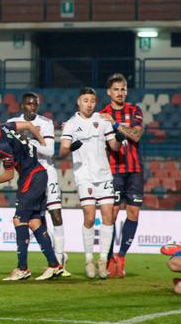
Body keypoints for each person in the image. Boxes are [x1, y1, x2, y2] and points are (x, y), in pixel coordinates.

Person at [0, 115, 63, 281]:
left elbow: (9, 174)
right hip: (38, 174)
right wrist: (40, 141)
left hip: (31, 177)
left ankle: (22, 268)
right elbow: (29, 125)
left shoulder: (2, 146)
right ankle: (54, 265)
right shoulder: (7, 126)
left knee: (19, 220)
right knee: (34, 222)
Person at [59, 87, 122, 279]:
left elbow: (114, 147)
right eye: (85, 100)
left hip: (103, 175)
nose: (89, 104)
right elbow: (61, 152)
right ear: (79, 101)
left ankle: (102, 260)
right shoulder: (71, 124)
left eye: (92, 101)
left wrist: (119, 137)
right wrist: (70, 148)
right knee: (88, 217)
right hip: (84, 175)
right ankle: (88, 259)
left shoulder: (102, 120)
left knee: (108, 216)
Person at [8, 92, 66, 269]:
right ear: (22, 105)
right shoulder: (13, 123)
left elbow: (49, 151)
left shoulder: (45, 123)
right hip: (29, 175)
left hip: (47, 172)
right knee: (37, 220)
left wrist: (28, 142)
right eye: (28, 104)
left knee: (56, 215)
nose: (32, 107)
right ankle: (53, 262)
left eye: (35, 104)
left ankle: (60, 259)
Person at [100, 73, 144, 277]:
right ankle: (109, 259)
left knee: (133, 214)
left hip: (134, 170)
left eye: (123, 89)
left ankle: (122, 256)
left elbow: (136, 135)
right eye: (116, 89)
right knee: (112, 214)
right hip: (113, 171)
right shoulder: (101, 114)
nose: (120, 93)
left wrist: (116, 125)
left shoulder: (135, 111)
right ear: (109, 92)